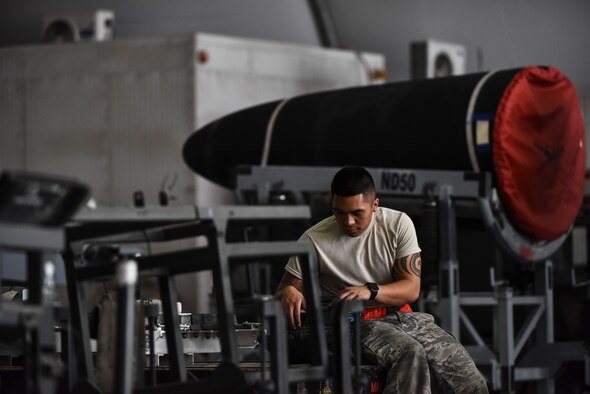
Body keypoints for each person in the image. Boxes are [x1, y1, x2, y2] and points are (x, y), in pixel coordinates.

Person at [275, 166, 488, 394]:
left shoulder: (398, 224)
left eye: (357, 213)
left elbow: (411, 289)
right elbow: (282, 293)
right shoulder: (313, 239)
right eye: (339, 212)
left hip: (399, 316)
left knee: (469, 380)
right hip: (351, 323)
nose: (348, 221)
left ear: (374, 205)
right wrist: (289, 291)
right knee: (410, 353)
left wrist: (370, 291)